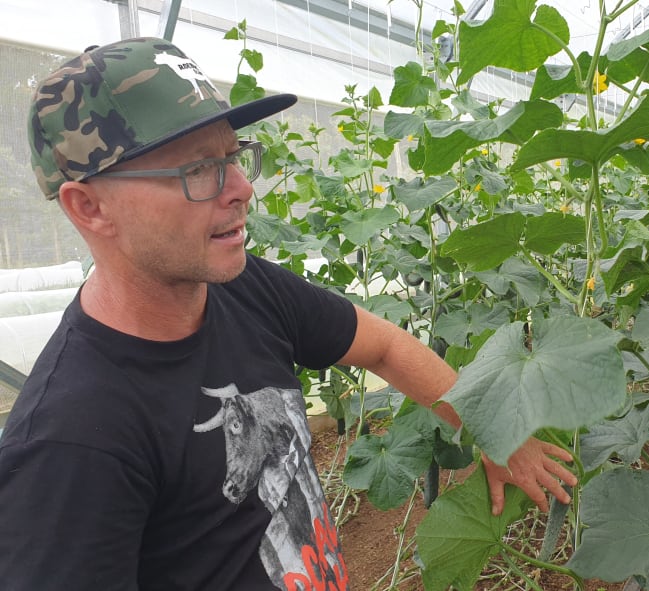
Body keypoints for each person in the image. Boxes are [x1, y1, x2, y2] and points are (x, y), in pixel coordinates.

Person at [0, 37, 576, 590]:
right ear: (90, 206)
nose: (244, 187)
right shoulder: (66, 444)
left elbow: (386, 347)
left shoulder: (242, 287)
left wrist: (493, 434)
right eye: (198, 170)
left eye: (233, 155)